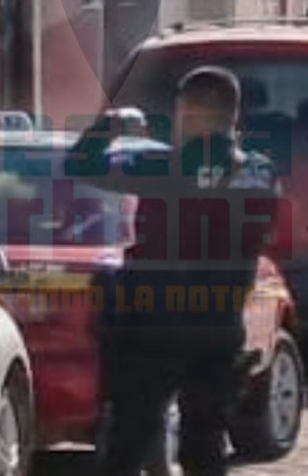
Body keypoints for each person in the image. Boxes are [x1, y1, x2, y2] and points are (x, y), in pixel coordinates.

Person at [67, 66, 280, 476]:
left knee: (130, 440)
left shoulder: (160, 166)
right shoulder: (259, 173)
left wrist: (112, 127)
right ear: (232, 115)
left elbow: (81, 164)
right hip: (219, 326)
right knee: (206, 443)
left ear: (188, 112)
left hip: (154, 325)